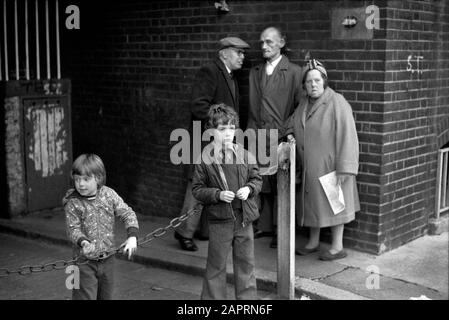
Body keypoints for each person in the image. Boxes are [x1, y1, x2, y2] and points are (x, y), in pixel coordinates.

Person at [174, 36, 250, 251]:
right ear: (224, 53)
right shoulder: (210, 72)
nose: (242, 56)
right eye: (238, 52)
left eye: (243, 53)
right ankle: (183, 232)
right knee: (197, 186)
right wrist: (219, 129)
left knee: (213, 184)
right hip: (205, 141)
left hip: (219, 143)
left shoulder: (229, 76)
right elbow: (198, 106)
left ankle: (202, 230)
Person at [284, 59, 360, 261]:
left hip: (331, 167)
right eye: (309, 82)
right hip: (310, 167)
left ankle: (337, 246)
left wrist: (346, 168)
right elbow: (291, 123)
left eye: (317, 80)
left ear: (324, 81)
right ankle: (313, 242)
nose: (313, 85)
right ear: (304, 85)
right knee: (313, 205)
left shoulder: (337, 102)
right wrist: (291, 134)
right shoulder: (303, 103)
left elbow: (348, 136)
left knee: (336, 206)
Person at [192, 104, 262, 300]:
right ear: (211, 131)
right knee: (216, 266)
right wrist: (217, 195)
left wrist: (249, 189)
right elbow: (197, 189)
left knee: (246, 265)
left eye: (231, 128)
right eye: (222, 129)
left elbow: (257, 179)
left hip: (243, 220)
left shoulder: (245, 155)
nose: (228, 133)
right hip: (219, 221)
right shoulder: (205, 159)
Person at [247, 26, 304, 248]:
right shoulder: (256, 71)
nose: (264, 46)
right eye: (262, 42)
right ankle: (264, 225)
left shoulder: (294, 72)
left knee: (281, 184)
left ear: (282, 42)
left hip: (279, 136)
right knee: (261, 182)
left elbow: (299, 107)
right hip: (257, 135)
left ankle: (282, 230)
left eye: (269, 42)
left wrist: (286, 131)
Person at [64, 154, 139, 299]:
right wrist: (83, 242)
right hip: (83, 262)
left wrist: (132, 236)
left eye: (86, 179)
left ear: (98, 178)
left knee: (106, 297)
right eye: (77, 179)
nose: (81, 184)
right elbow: (73, 228)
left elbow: (127, 213)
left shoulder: (109, 195)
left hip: (108, 260)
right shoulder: (73, 202)